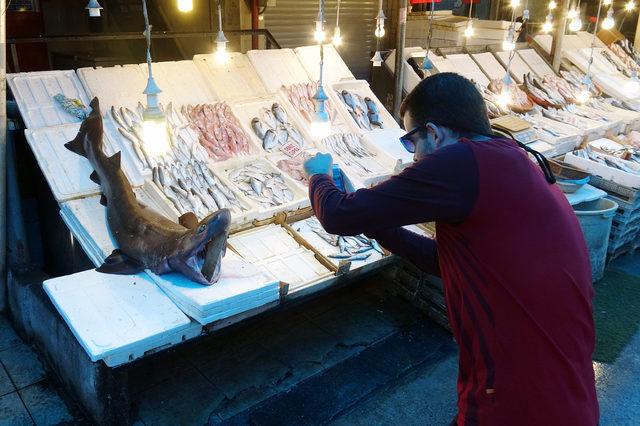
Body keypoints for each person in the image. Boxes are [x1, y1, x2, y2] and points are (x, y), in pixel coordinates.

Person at [303, 73, 598, 426]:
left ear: (435, 133)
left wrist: (318, 176)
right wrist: (373, 217)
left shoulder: (461, 162)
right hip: (562, 390)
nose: (412, 158)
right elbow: (442, 261)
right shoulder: (510, 158)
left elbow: (337, 216)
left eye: (412, 142)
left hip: (519, 395)